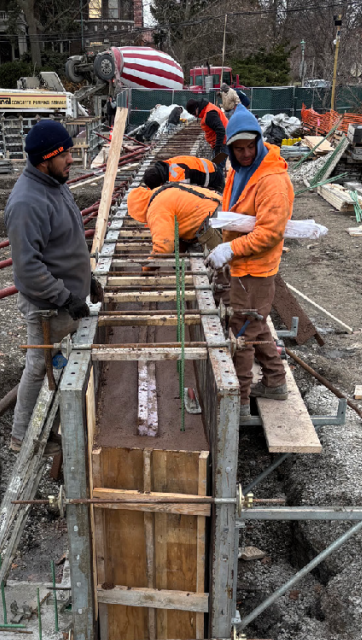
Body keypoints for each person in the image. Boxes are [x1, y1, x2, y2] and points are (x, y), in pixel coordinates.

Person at [4, 120, 99, 452]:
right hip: (49, 305)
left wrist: (89, 280)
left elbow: (65, 243)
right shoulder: (27, 203)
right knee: (39, 366)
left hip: (68, 298)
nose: (72, 159)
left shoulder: (54, 183)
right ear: (45, 158)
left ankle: (56, 421)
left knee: (57, 363)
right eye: (66, 154)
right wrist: (65, 296)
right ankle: (21, 438)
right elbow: (28, 268)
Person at [204, 105, 294, 417]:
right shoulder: (241, 171)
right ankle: (275, 381)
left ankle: (239, 402)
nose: (244, 153)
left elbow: (269, 233)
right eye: (237, 148)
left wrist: (229, 250)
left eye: (248, 147)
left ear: (258, 141)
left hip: (255, 269)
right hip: (243, 266)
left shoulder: (272, 180)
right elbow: (238, 211)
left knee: (241, 333)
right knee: (256, 324)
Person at [126, 178, 222, 254]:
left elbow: (163, 247)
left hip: (214, 220)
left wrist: (146, 269)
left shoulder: (156, 208)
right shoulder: (162, 191)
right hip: (221, 205)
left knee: (224, 269)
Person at [141, 154, 224, 193]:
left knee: (224, 203)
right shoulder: (165, 166)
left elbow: (189, 194)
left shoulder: (178, 177)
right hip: (207, 164)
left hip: (213, 176)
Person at [185, 97, 229, 163]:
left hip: (222, 143)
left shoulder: (209, 114)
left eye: (194, 113)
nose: (195, 116)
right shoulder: (206, 110)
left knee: (217, 167)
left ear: (197, 108)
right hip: (221, 143)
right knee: (216, 166)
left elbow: (221, 130)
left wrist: (218, 149)